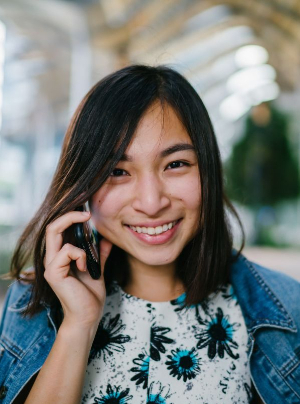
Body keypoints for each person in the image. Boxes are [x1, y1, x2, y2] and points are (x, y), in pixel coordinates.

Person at [0, 65, 299, 404]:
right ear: (83, 185)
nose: (151, 202)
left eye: (176, 164)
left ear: (209, 169)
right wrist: (78, 325)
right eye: (117, 171)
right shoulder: (31, 305)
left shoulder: (288, 311)